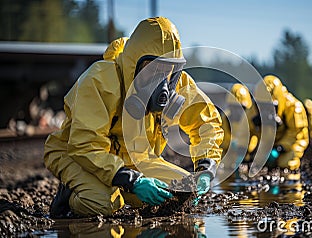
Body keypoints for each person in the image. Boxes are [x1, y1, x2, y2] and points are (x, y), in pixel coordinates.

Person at [44, 17, 223, 217]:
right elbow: (85, 145)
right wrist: (133, 181)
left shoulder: (178, 84)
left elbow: (207, 124)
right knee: (104, 204)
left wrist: (205, 168)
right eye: (152, 68)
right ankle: (70, 196)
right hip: (77, 156)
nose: (161, 79)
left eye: (167, 69)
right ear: (133, 63)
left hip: (134, 162)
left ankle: (119, 187)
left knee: (181, 191)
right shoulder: (99, 80)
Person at [251, 75, 309, 171]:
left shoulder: (293, 107)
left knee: (285, 163)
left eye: (269, 106)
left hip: (292, 143)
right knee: (256, 161)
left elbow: (295, 133)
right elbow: (246, 130)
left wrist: (279, 148)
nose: (265, 110)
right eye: (262, 106)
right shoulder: (255, 108)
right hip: (269, 143)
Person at [219, 84, 257, 160]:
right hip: (229, 155)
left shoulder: (252, 119)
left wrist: (246, 147)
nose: (236, 111)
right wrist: (232, 144)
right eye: (233, 107)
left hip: (248, 155)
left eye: (239, 107)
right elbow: (222, 140)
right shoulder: (224, 118)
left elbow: (256, 137)